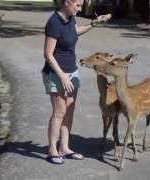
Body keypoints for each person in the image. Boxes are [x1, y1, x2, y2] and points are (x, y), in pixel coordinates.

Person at [42, 0, 111, 164]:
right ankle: (52, 149)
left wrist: (94, 23)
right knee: (59, 112)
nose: (80, 9)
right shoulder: (53, 22)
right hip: (56, 73)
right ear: (67, 3)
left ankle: (64, 147)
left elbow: (75, 32)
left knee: (69, 110)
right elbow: (48, 54)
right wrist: (62, 75)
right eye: (78, 5)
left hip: (71, 71)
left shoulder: (71, 17)